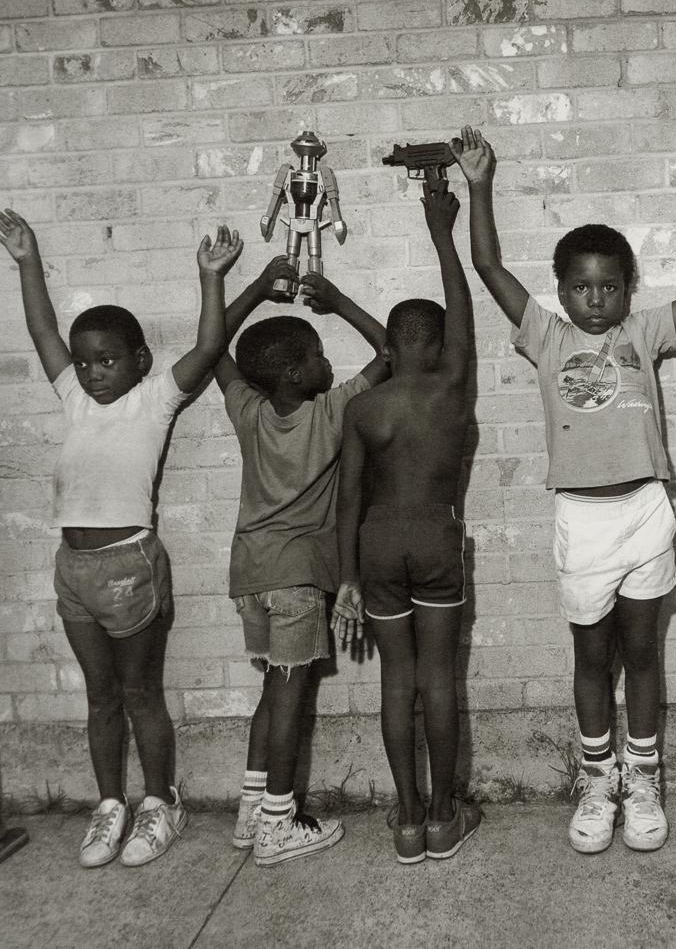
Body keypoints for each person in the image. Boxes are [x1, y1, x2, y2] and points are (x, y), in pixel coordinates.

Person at [457, 125, 676, 854]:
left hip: (644, 509)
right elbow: (487, 264)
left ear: (628, 289)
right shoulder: (547, 337)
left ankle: (642, 779)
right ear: (559, 292)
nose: (595, 299)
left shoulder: (644, 332)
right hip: (581, 518)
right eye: (580, 287)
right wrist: (479, 185)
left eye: (609, 286)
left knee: (641, 652)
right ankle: (596, 779)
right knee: (591, 656)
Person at [0, 208, 242, 868]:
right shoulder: (75, 400)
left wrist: (210, 276)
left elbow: (208, 346)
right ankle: (110, 804)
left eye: (106, 360)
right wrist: (27, 260)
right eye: (83, 362)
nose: (91, 372)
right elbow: (43, 330)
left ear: (139, 361)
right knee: (100, 696)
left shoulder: (154, 399)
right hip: (73, 569)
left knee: (139, 693)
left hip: (128, 567)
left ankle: (160, 802)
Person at [215, 256, 387, 867]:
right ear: (294, 372)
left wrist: (255, 290)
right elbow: (394, 350)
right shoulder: (331, 412)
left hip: (249, 575)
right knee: (290, 700)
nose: (326, 362)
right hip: (295, 580)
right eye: (317, 355)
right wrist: (338, 301)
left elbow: (213, 349)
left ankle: (252, 809)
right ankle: (278, 825)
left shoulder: (248, 412)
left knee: (272, 691)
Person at [332, 180, 478, 865]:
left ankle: (408, 821)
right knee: (439, 678)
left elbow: (348, 499)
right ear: (442, 347)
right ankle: (446, 817)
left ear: (387, 349)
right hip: (434, 536)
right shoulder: (451, 389)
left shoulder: (363, 409)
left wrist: (347, 579)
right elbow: (462, 313)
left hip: (378, 544)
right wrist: (442, 231)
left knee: (397, 680)